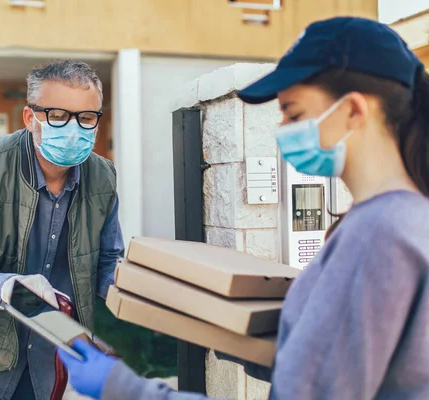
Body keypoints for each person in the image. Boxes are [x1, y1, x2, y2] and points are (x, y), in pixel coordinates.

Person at [57, 17, 429, 400]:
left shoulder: (377, 234)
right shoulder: (409, 218)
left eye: (294, 113)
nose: (280, 127)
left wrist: (122, 388)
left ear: (353, 110)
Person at [0, 59, 124, 400]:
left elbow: (107, 263)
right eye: (58, 115)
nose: (74, 128)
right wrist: (10, 287)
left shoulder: (103, 178)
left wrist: (130, 299)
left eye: (86, 118)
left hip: (43, 353)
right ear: (31, 119)